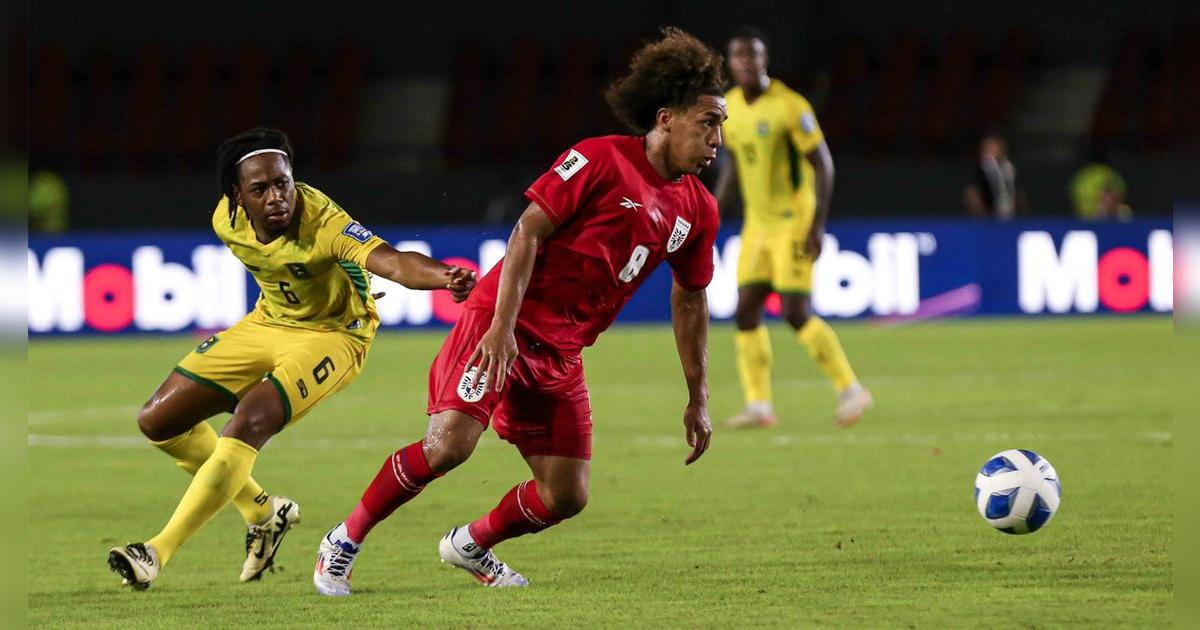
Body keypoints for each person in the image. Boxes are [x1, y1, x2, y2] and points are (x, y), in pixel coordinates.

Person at [312, 27, 724, 595]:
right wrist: (502, 327)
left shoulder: (699, 209)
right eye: (708, 123)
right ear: (665, 119)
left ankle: (472, 543)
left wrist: (697, 395)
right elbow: (527, 229)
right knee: (448, 447)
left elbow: (691, 298)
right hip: (500, 324)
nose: (717, 139)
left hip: (561, 352)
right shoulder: (598, 159)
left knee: (566, 495)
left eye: (720, 126)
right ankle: (344, 539)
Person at [106, 127, 476, 590]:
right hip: (268, 323)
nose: (278, 197)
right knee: (157, 422)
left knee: (248, 419)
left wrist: (445, 277)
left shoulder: (323, 221)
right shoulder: (226, 222)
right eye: (260, 189)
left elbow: (394, 262)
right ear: (236, 196)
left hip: (335, 334)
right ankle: (264, 512)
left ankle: (155, 552)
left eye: (283, 182)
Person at [713, 27, 872, 430]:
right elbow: (732, 167)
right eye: (739, 57)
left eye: (754, 56)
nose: (746, 63)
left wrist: (817, 225)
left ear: (764, 61)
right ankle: (759, 405)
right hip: (757, 227)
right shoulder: (728, 108)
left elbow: (824, 163)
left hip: (792, 224)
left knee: (795, 311)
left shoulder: (789, 106)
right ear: (730, 63)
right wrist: (711, 211)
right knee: (745, 310)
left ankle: (850, 389)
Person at [963, 133, 1025, 220]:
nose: (990, 151)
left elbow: (1018, 194)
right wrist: (983, 216)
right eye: (987, 148)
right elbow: (972, 194)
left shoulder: (1009, 168)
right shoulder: (980, 170)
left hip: (1010, 216)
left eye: (993, 148)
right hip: (989, 218)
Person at [1070, 146, 1132, 221]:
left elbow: (1120, 191)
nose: (1107, 197)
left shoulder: (1107, 173)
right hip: (1085, 217)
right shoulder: (1082, 176)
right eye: (1105, 194)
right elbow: (1075, 198)